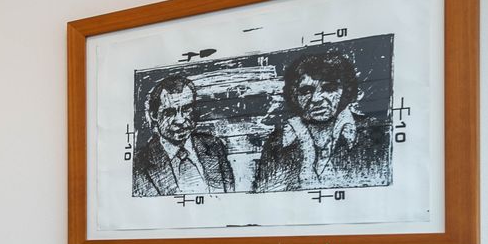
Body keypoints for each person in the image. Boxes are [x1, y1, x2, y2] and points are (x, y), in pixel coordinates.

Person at [252, 49, 393, 191]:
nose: (316, 99)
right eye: (306, 91)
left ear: (346, 90)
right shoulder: (278, 140)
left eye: (329, 88)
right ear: (294, 95)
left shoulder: (374, 131)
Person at [132, 73, 235, 196]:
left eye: (186, 109)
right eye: (169, 112)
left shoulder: (214, 146)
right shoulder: (140, 163)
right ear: (154, 115)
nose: (180, 120)